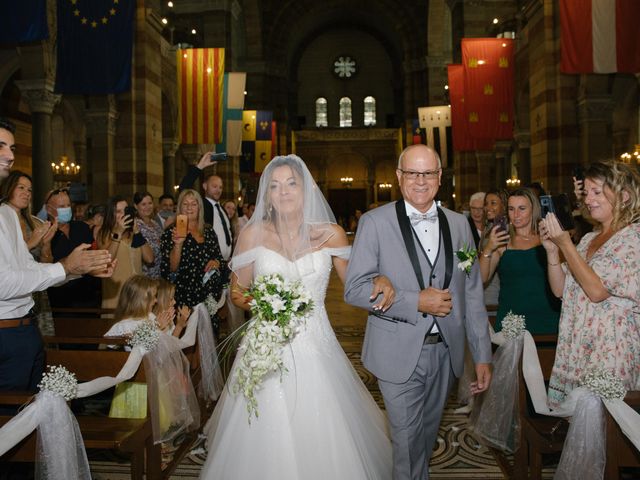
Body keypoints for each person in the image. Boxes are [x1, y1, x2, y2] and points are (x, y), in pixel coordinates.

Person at [200, 154, 395, 479]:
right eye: (275, 186)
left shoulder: (331, 233)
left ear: (306, 188)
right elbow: (237, 292)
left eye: (291, 183)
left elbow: (355, 284)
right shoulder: (252, 234)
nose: (284, 191)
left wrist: (382, 279)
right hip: (266, 343)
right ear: (267, 194)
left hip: (316, 344)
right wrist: (267, 303)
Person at [345, 144, 492, 480]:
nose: (421, 181)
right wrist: (415, 301)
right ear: (399, 177)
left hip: (445, 353)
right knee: (407, 443)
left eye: (428, 173)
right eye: (413, 173)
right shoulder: (375, 223)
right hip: (396, 351)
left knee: (424, 438)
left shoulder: (459, 225)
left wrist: (482, 355)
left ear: (440, 177)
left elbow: (471, 294)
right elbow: (354, 290)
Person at [0, 117, 114, 393]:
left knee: (28, 418)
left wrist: (78, 268)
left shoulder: (5, 215)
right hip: (6, 332)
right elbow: (4, 283)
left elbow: (28, 268)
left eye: (12, 148)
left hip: (24, 328)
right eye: (1, 146)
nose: (10, 155)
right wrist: (64, 266)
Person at [540, 161, 640, 408]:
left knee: (606, 434)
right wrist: (553, 252)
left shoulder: (632, 238)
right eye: (587, 193)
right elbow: (561, 289)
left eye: (597, 192)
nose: (588, 199)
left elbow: (596, 291)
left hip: (609, 350)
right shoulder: (588, 238)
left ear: (624, 196)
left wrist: (565, 244)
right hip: (578, 347)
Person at [478, 188, 560, 334]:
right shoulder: (502, 241)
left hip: (547, 318)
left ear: (533, 210)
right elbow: (481, 279)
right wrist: (489, 248)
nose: (516, 215)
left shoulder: (548, 239)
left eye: (522, 209)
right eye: (511, 209)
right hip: (512, 320)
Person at [159, 189, 226, 315]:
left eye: (193, 204)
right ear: (179, 207)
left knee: (209, 333)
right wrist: (178, 245)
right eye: (185, 204)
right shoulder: (170, 233)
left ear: (199, 208)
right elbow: (171, 269)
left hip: (209, 296)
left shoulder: (208, 232)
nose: (189, 208)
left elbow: (220, 259)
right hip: (183, 296)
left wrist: (215, 262)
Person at [46, 188, 101, 310]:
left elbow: (92, 256)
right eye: (61, 206)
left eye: (68, 205)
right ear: (49, 209)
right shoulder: (45, 234)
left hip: (88, 298)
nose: (66, 209)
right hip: (60, 302)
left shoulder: (82, 228)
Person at [97, 195, 154, 310]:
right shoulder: (104, 234)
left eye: (126, 210)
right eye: (118, 211)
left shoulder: (134, 234)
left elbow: (150, 259)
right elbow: (107, 261)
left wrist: (137, 232)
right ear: (110, 215)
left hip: (137, 297)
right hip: (116, 297)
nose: (123, 214)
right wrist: (117, 233)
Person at [178, 152, 233, 261]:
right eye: (214, 186)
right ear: (204, 186)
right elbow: (184, 189)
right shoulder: (200, 205)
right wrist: (200, 166)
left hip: (225, 263)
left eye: (221, 187)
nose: (218, 190)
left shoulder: (222, 209)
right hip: (207, 263)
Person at [0, 170, 55, 261]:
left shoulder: (37, 223)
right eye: (21, 187)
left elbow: (47, 264)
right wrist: (30, 244)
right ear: (9, 188)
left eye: (29, 190)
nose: (27, 193)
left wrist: (46, 244)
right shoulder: (2, 220)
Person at [481, 188, 508, 306]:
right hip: (485, 288)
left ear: (504, 205)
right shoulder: (489, 228)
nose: (488, 207)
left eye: (493, 203)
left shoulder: (504, 230)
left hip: (494, 292)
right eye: (486, 204)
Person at [134, 191, 163, 279]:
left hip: (159, 274)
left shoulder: (156, 224)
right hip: (145, 276)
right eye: (143, 204)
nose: (148, 207)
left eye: (150, 203)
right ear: (136, 206)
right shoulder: (136, 225)